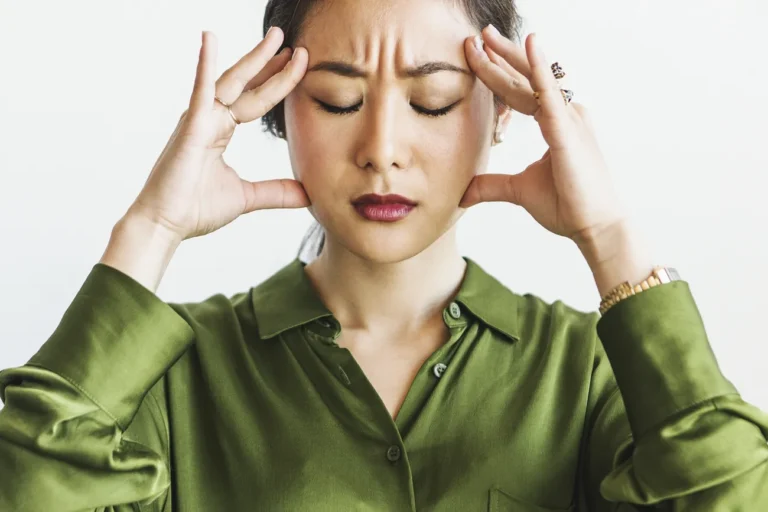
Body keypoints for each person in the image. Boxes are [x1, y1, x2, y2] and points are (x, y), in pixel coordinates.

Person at [1, 0, 766, 510]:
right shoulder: (174, 380)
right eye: (337, 100)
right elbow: (29, 483)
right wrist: (151, 228)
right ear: (279, 109)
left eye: (432, 101)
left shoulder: (588, 374)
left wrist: (610, 235)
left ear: (502, 110)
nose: (382, 152)